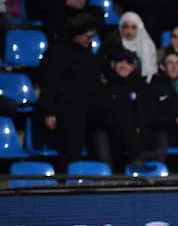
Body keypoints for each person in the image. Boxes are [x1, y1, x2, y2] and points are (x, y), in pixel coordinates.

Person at [39, 13, 146, 173]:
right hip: (69, 108)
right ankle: (66, 183)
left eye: (93, 37)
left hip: (90, 104)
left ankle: (136, 155)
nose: (90, 41)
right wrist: (49, 112)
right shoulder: (58, 52)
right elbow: (48, 83)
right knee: (71, 150)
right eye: (87, 37)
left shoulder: (87, 52)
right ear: (76, 34)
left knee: (118, 110)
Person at [113, 12, 159, 82]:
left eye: (133, 27)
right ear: (120, 28)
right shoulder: (113, 46)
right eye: (126, 27)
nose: (129, 31)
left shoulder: (147, 46)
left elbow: (151, 72)